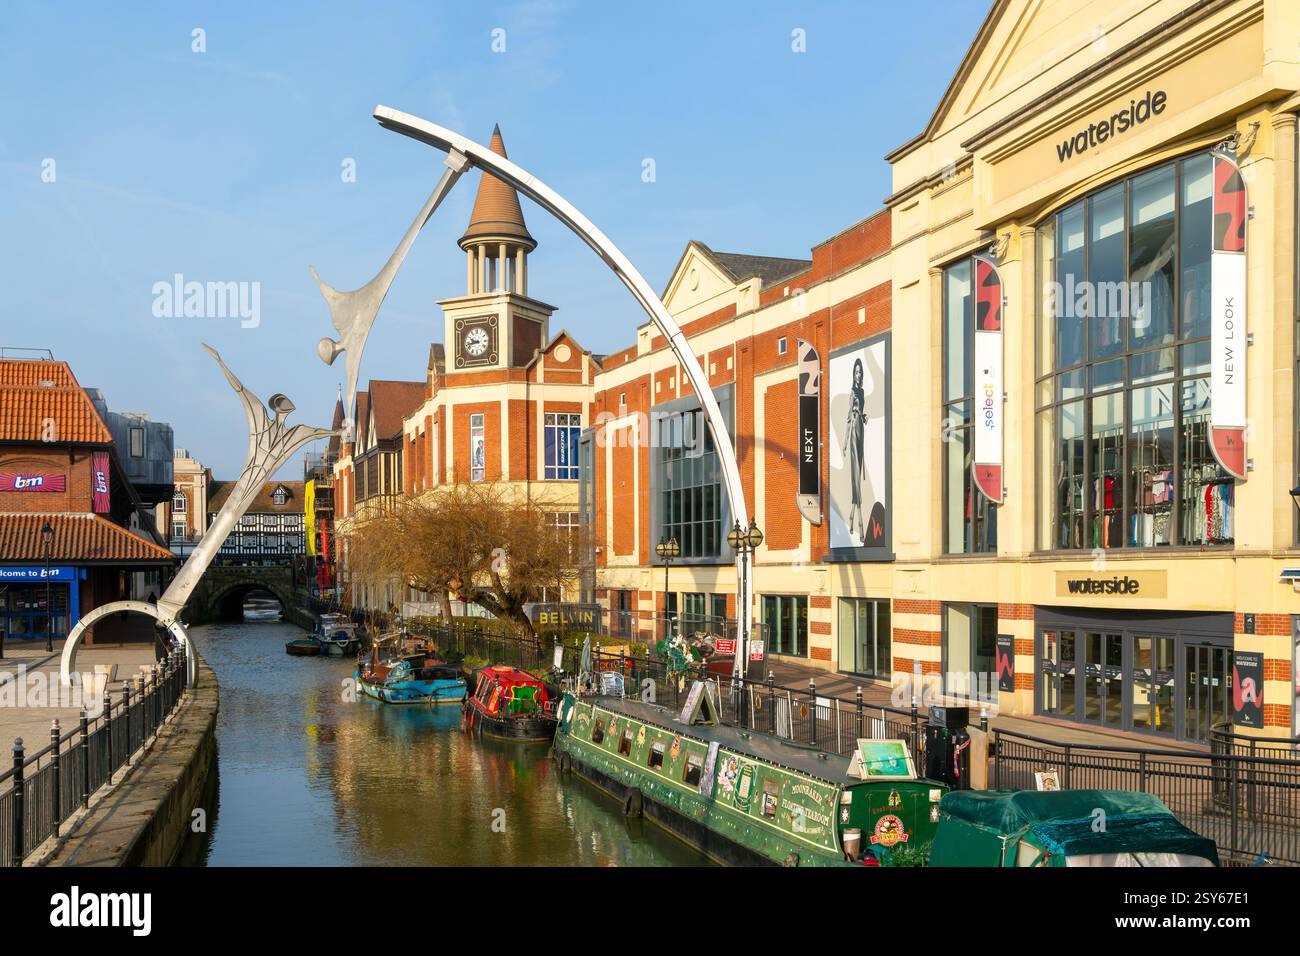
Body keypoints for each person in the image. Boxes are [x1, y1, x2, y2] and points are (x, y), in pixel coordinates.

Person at [841, 357, 867, 543]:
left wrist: (865, 417)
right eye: (855, 372)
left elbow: (860, 414)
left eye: (860, 372)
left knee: (858, 474)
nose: (858, 374)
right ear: (853, 374)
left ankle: (850, 517)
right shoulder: (852, 392)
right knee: (856, 476)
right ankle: (860, 524)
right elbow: (848, 418)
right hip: (853, 437)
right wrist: (843, 443)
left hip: (862, 433)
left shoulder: (862, 391)